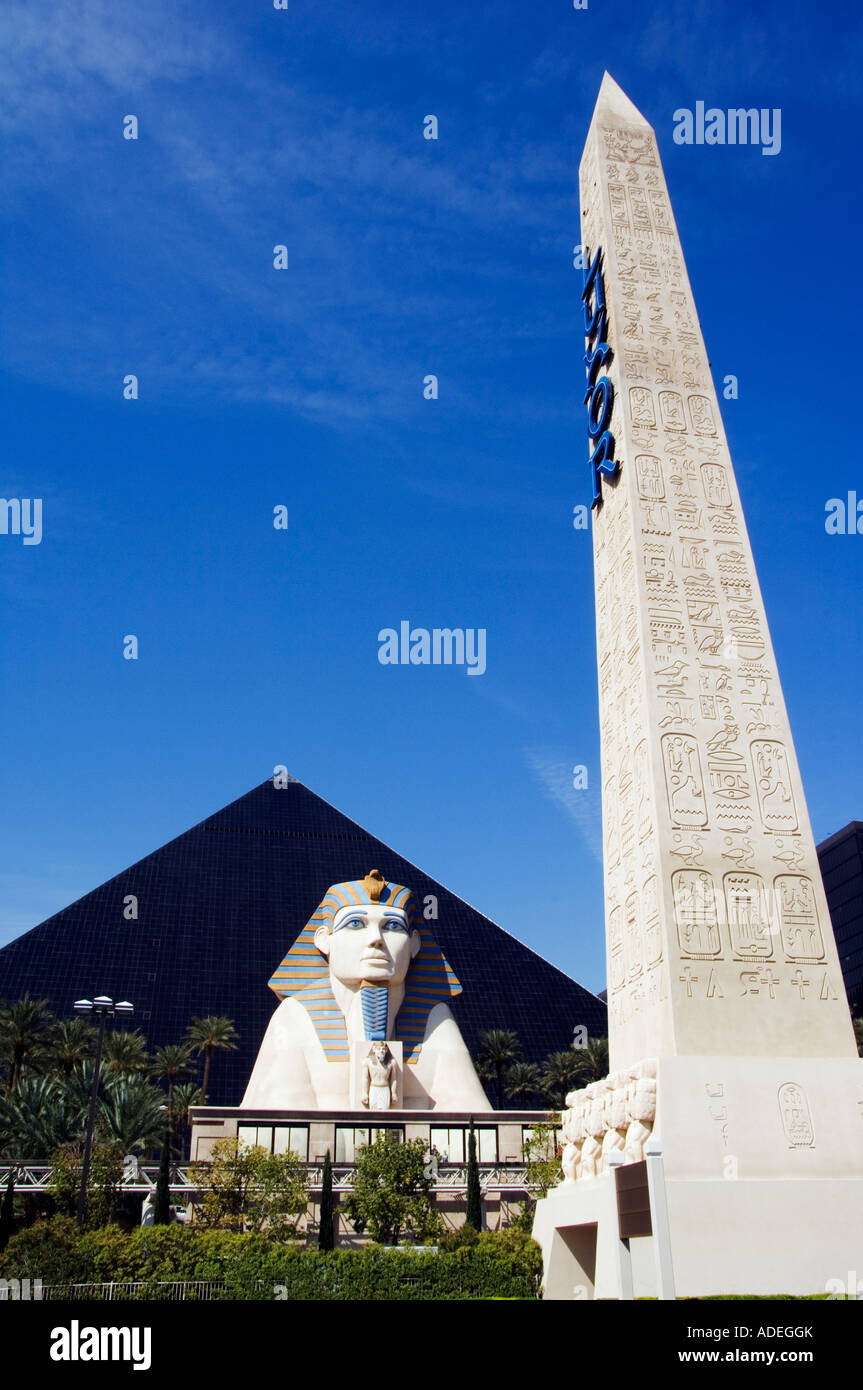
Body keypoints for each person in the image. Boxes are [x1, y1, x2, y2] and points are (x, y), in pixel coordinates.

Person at [242, 870, 491, 1112]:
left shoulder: (435, 1020)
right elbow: (278, 1131)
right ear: (323, 940)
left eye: (392, 926)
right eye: (355, 924)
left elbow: (474, 1126)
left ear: (415, 943)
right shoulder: (294, 1017)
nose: (376, 939)